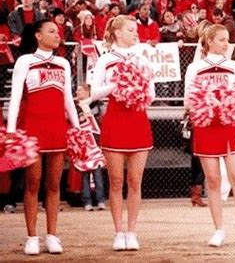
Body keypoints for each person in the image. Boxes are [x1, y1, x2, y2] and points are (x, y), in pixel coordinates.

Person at [7, 19, 80, 255]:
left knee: (53, 183)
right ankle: (31, 236)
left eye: (58, 32)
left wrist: (77, 127)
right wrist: (10, 132)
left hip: (57, 127)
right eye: (51, 31)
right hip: (32, 128)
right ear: (38, 36)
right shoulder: (25, 61)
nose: (57, 35)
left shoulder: (63, 63)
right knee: (32, 183)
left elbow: (67, 98)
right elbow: (16, 97)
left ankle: (52, 235)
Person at [184, 24, 235, 250]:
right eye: (223, 40)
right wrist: (206, 104)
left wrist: (228, 105)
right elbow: (188, 100)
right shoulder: (195, 68)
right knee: (212, 181)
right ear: (210, 41)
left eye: (227, 39)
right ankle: (219, 230)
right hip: (206, 127)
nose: (227, 44)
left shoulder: (234, 66)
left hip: (228, 125)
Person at [91, 15, 155, 251]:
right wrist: (119, 84)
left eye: (135, 29)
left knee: (135, 181)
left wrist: (137, 86)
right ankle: (118, 232)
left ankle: (132, 231)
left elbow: (152, 93)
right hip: (115, 119)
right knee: (116, 181)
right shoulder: (105, 60)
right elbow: (96, 91)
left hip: (138, 118)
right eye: (130, 29)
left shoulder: (142, 58)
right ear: (117, 33)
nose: (135, 33)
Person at [75, 83, 106, 211]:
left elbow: (99, 116)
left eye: (80, 90)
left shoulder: (97, 104)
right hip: (83, 144)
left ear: (87, 92)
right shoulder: (75, 107)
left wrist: (86, 109)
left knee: (97, 173)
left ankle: (100, 200)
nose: (77, 93)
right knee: (85, 174)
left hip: (95, 143)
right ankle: (87, 201)